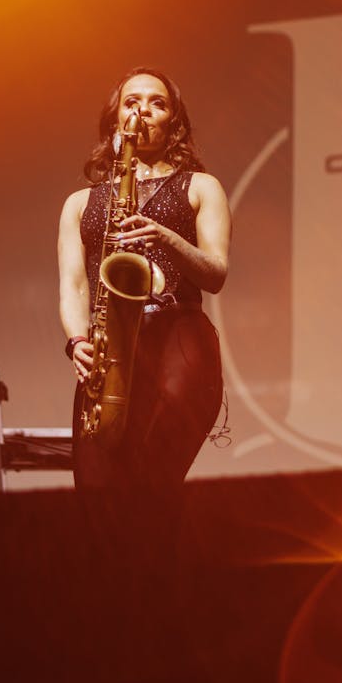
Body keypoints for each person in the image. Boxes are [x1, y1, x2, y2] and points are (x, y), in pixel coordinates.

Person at [58, 67, 231, 492]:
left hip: (178, 335)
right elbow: (75, 286)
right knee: (98, 498)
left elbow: (216, 274)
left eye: (158, 103)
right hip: (108, 347)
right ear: (116, 119)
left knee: (152, 487)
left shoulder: (202, 187)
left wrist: (165, 237)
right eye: (131, 102)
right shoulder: (80, 203)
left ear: (174, 120)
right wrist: (78, 342)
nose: (143, 111)